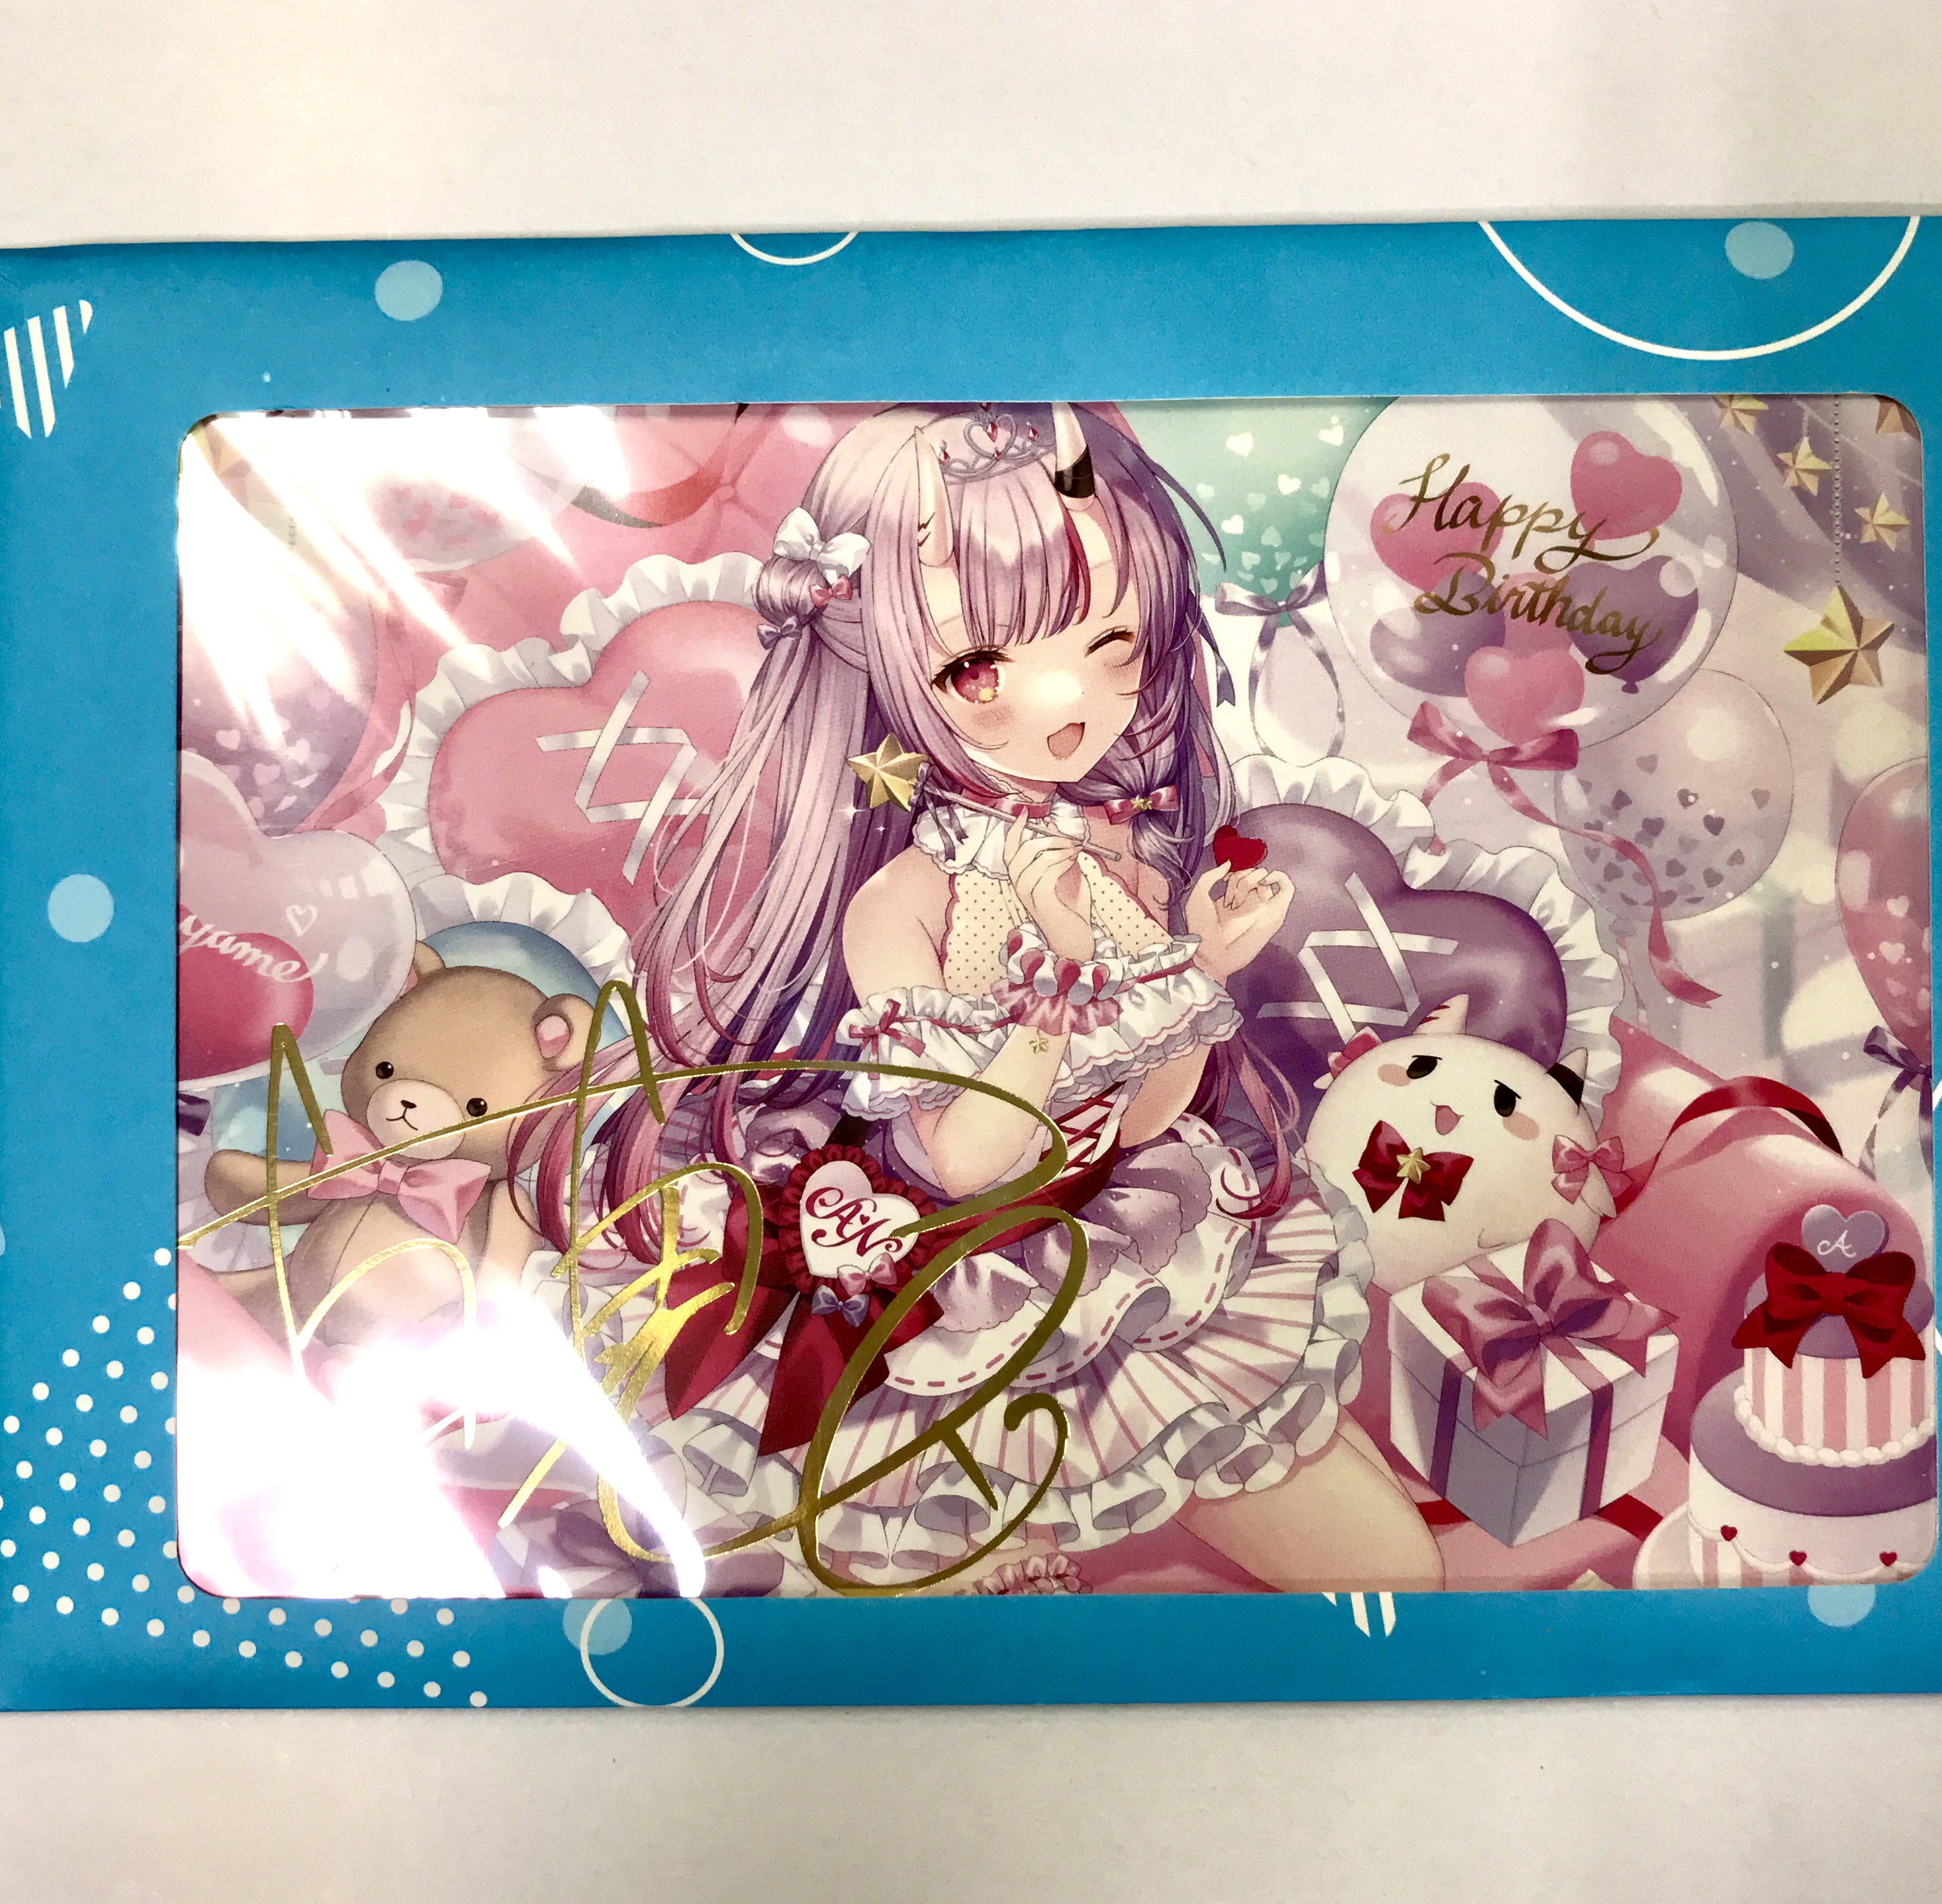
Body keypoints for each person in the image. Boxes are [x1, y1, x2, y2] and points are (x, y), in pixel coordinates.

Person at [520, 403, 1440, 1594]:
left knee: (1394, 1575)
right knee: (946, 1612)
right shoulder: (901, 906)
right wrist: (1046, 1022)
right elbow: (963, 1159)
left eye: (1115, 641)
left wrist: (1199, 967)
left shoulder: (1116, 858)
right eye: (980, 666)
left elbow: (1150, 1117)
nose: (1071, 704)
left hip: (1122, 1240)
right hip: (947, 1279)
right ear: (882, 665)